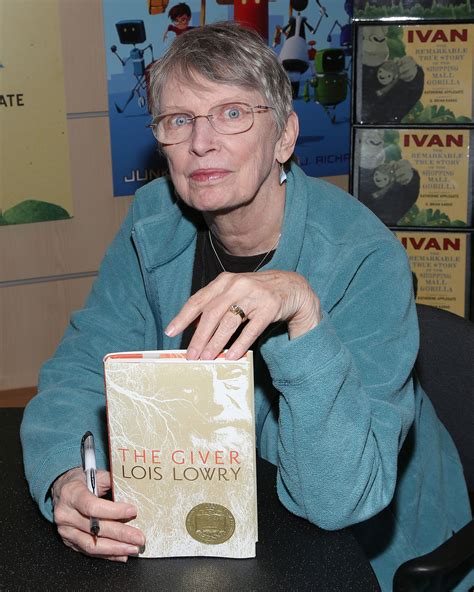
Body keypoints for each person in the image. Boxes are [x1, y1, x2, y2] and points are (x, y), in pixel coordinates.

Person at [21, 22, 472, 591]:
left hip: (357, 548)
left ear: (284, 137)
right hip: (212, 520)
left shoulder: (363, 257)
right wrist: (67, 476)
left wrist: (302, 313)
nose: (200, 142)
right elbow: (83, 368)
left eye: (232, 113)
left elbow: (337, 500)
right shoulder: (154, 221)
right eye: (178, 120)